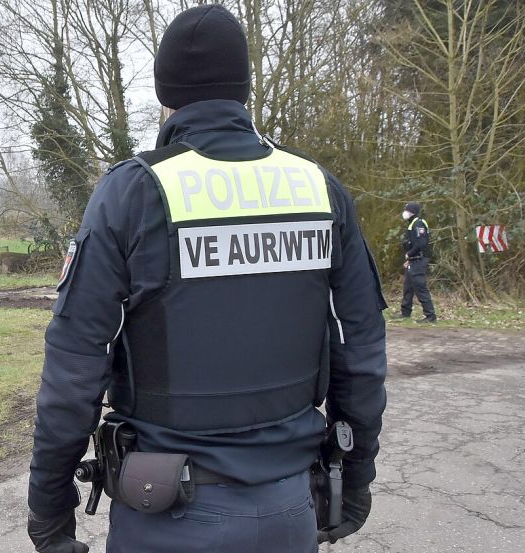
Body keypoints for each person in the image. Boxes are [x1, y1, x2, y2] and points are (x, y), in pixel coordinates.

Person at [26, 5, 388, 553]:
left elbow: (74, 372)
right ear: (244, 88)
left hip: (166, 516)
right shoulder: (320, 190)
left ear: (165, 95)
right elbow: (358, 351)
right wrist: (356, 477)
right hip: (290, 510)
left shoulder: (133, 193)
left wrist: (50, 513)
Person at [400, 202, 437, 323]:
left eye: (407, 210)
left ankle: (430, 316)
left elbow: (421, 244)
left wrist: (409, 255)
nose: (404, 213)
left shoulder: (418, 224)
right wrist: (408, 259)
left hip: (419, 259)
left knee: (420, 288)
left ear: (412, 212)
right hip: (413, 260)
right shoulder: (412, 224)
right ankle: (405, 312)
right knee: (408, 287)